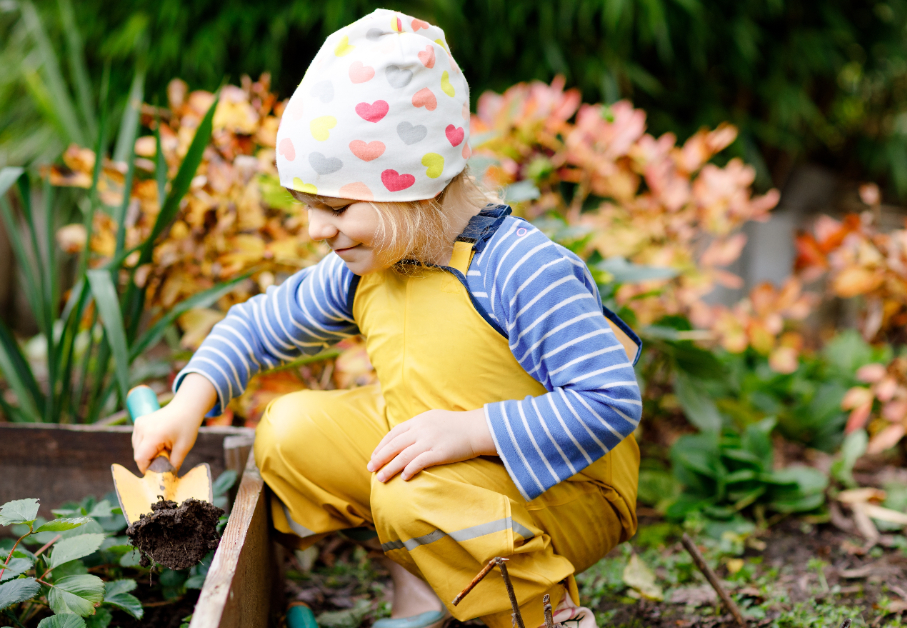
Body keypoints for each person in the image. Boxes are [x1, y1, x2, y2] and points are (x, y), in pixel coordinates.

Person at [131, 9, 641, 628]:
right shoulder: (370, 263)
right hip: (446, 461)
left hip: (563, 490)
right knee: (289, 432)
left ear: (417, 186)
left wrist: (471, 431)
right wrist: (189, 401)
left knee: (410, 489)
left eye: (339, 207)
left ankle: (545, 611)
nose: (318, 230)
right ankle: (423, 590)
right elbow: (259, 324)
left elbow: (609, 402)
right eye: (309, 208)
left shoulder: (521, 267)